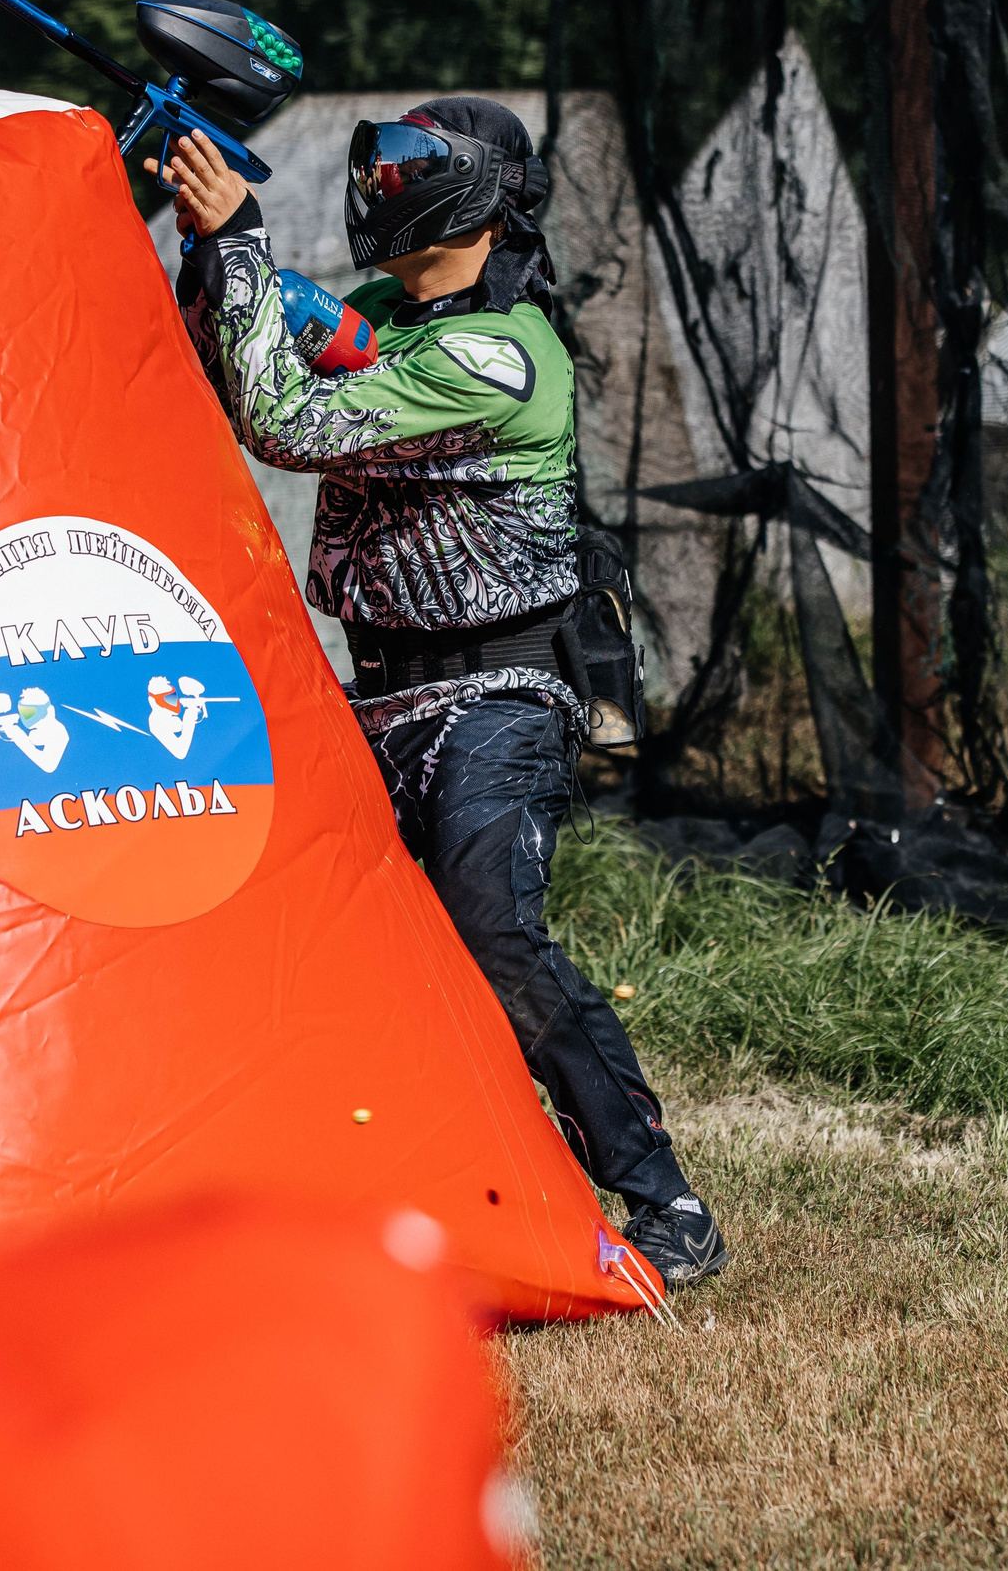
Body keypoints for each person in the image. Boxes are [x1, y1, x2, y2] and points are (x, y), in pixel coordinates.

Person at [152, 102, 726, 1289]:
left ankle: (662, 1196)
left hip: (496, 696)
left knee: (493, 928)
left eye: (408, 168)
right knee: (306, 942)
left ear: (469, 198)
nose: (382, 184)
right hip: (371, 695)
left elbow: (281, 418)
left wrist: (248, 240)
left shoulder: (497, 354)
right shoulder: (386, 322)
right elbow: (235, 365)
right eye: (381, 163)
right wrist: (213, 256)